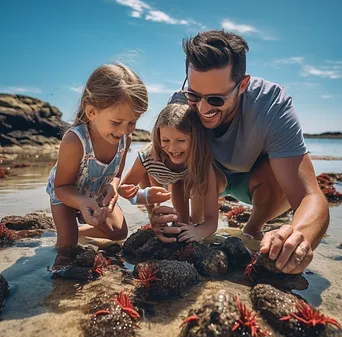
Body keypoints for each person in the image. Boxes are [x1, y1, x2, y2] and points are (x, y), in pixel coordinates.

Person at [150, 30, 329, 274]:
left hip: (257, 180)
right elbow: (165, 166)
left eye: (215, 99)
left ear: (242, 85)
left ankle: (253, 228)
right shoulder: (180, 105)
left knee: (283, 176)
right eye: (194, 95)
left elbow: (310, 196)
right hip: (210, 176)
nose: (202, 109)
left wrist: (300, 236)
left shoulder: (272, 107)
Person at [46, 63, 148, 250]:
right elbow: (61, 187)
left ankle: (77, 232)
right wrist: (82, 202)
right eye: (116, 122)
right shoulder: (75, 141)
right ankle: (66, 235)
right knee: (66, 246)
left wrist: (113, 187)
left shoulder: (125, 139)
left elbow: (116, 175)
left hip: (96, 194)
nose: (124, 130)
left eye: (132, 122)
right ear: (92, 112)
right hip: (68, 196)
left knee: (119, 233)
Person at [119, 103, 222, 243]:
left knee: (184, 223)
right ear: (158, 137)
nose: (173, 148)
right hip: (154, 175)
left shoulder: (202, 161)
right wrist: (146, 196)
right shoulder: (148, 157)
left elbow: (211, 222)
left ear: (195, 138)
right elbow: (123, 190)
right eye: (165, 140)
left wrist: (199, 231)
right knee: (154, 212)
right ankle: (152, 218)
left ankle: (186, 221)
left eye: (180, 140)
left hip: (183, 178)